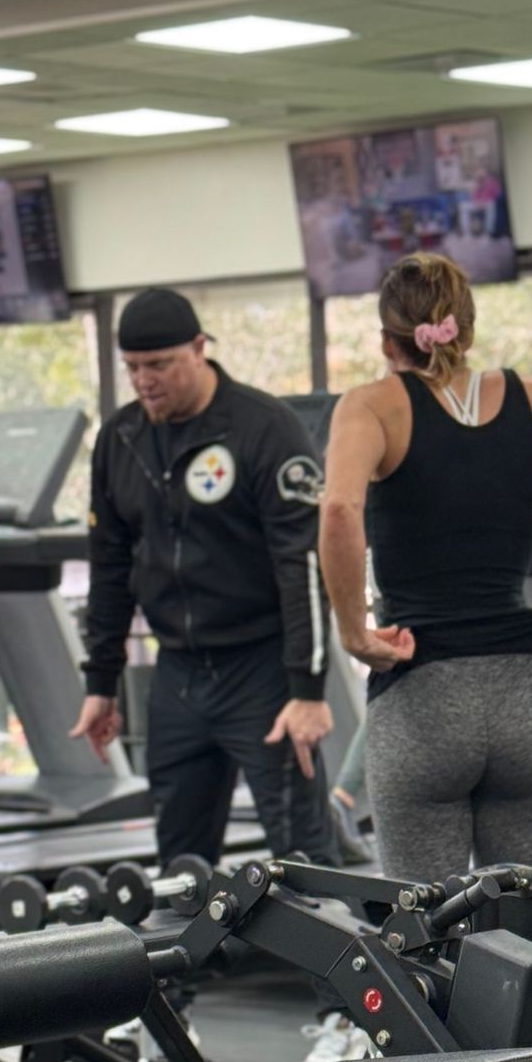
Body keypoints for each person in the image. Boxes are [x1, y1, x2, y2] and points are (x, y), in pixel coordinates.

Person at [316, 250, 532, 888]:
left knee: (431, 937)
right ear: (465, 330)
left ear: (388, 340)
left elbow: (337, 509)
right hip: (523, 706)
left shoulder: (369, 407)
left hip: (421, 704)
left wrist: (353, 632)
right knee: (526, 932)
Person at [72, 288, 333, 874]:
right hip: (179, 678)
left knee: (304, 861)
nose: (145, 381)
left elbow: (303, 565)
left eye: (160, 365)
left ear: (199, 349)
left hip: (262, 674)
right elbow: (109, 566)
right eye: (134, 368)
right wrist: (101, 682)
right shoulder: (120, 439)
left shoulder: (265, 428)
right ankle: (189, 970)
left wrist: (309, 690)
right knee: (181, 872)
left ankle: (332, 964)